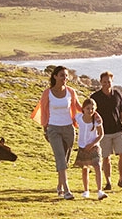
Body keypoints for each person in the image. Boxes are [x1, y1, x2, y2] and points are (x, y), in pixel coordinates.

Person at [31, 65, 83, 200]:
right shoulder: (47, 93)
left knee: (65, 160)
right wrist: (45, 129)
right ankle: (66, 190)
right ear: (55, 76)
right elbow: (43, 111)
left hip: (69, 129)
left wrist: (92, 113)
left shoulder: (71, 92)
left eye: (66, 76)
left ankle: (59, 186)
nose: (64, 78)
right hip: (53, 128)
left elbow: (78, 107)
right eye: (62, 75)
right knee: (60, 159)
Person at [91, 71, 122, 192]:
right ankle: (108, 182)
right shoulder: (95, 97)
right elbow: (90, 114)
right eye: (104, 82)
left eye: (109, 82)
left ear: (112, 82)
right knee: (106, 158)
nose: (107, 84)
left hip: (118, 130)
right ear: (100, 82)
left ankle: (121, 180)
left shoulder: (117, 95)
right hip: (103, 132)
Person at [74, 98, 108, 200]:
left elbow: (101, 134)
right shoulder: (79, 117)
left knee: (97, 166)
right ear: (83, 109)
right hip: (83, 146)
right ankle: (86, 190)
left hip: (94, 147)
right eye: (88, 108)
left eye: (92, 108)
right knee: (85, 169)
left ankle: (100, 191)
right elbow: (73, 118)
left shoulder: (96, 121)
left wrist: (93, 143)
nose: (90, 111)